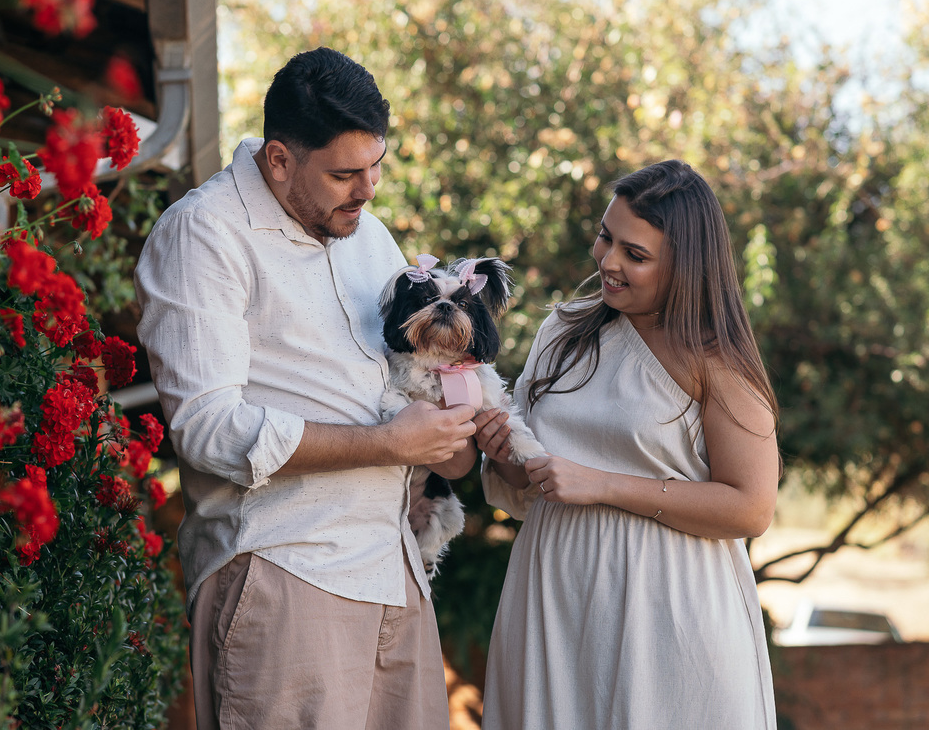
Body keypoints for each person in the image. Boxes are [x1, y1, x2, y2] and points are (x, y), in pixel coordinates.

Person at [134, 47, 477, 730]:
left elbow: (403, 386)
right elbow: (206, 428)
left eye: (377, 165)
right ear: (280, 159)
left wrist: (452, 433)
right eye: (346, 173)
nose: (369, 189)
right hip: (286, 572)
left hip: (394, 571)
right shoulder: (205, 234)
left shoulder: (370, 237)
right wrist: (384, 443)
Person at [474, 159, 780, 729]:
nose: (608, 262)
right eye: (605, 237)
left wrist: (604, 485)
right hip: (555, 601)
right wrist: (508, 460)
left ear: (686, 267)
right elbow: (531, 486)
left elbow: (751, 507)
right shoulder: (563, 333)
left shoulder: (718, 362)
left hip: (670, 614)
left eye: (635, 255)